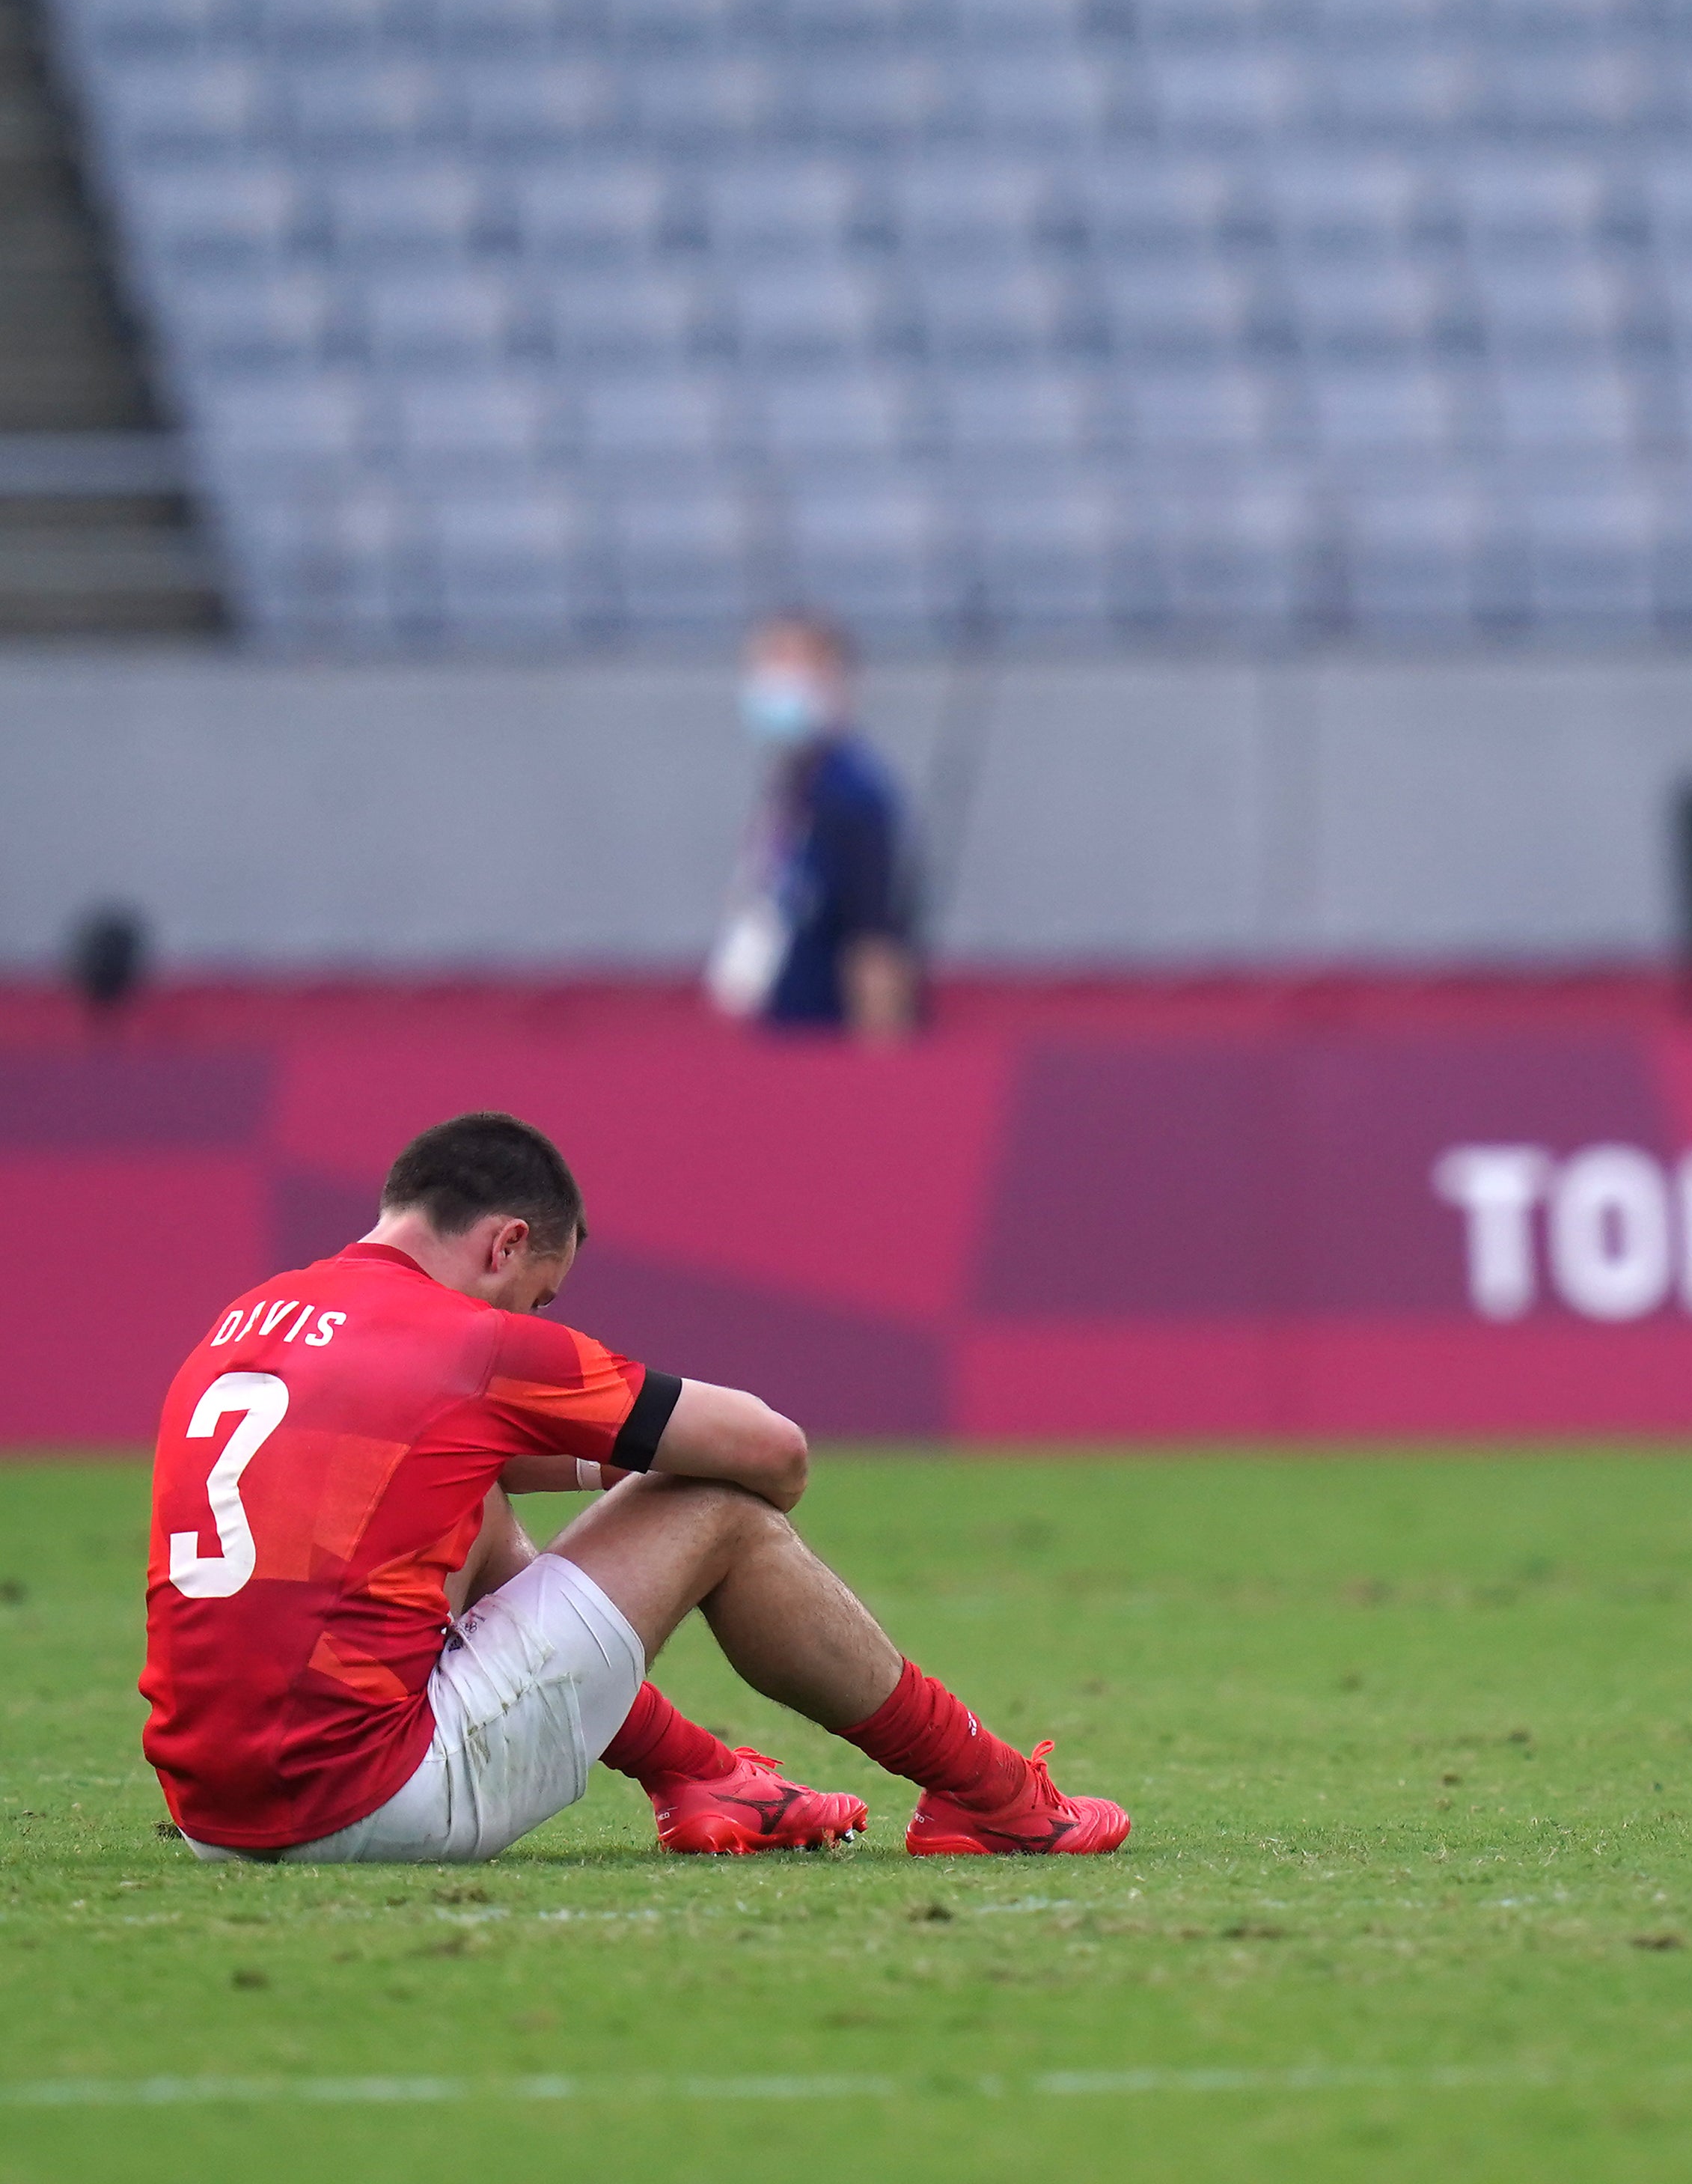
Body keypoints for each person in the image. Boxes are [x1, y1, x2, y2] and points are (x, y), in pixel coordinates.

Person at [141, 1111, 1127, 1863]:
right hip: (364, 1800)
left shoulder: (250, 1318)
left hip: (213, 1814)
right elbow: (773, 1452)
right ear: (505, 1245)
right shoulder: (471, 1343)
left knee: (468, 1496)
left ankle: (702, 1775)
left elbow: (424, 1456)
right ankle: (991, 1797)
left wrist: (553, 1455)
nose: (533, 1313)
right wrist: (630, 1463)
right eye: (541, 1295)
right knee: (717, 1510)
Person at [710, 610, 921, 1044]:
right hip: (787, 1030)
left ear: (831, 677)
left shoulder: (851, 794)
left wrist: (879, 1065)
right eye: (759, 665)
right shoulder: (794, 783)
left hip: (828, 1040)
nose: (765, 682)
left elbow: (875, 941)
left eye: (784, 665)